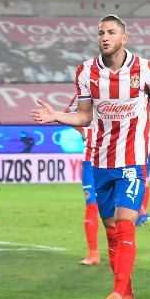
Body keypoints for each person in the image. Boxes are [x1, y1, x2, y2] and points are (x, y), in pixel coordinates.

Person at [31, 14, 150, 299]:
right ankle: (127, 295)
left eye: (111, 32)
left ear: (124, 38)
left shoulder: (146, 69)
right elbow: (83, 117)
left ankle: (117, 293)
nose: (104, 37)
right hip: (100, 163)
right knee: (111, 231)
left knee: (125, 224)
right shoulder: (86, 72)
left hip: (132, 162)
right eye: (101, 32)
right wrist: (57, 117)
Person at [67, 95, 100, 266]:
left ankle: (117, 250)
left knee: (115, 211)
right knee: (92, 206)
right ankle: (93, 252)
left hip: (110, 162)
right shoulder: (85, 106)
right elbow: (66, 113)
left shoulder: (114, 103)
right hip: (89, 163)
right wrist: (82, 131)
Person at [136, 111, 150, 226]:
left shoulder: (145, 102)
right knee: (144, 179)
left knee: (140, 179)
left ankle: (141, 213)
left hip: (144, 148)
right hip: (148, 147)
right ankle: (142, 212)